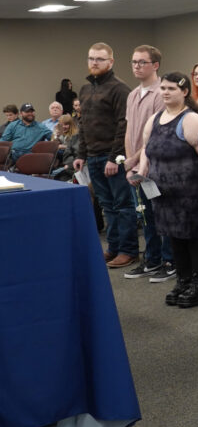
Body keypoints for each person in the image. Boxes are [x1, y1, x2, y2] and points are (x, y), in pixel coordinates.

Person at [137, 73, 198, 308]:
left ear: (185, 92)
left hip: (189, 192)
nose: (166, 92)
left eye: (171, 88)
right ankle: (183, 279)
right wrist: (140, 171)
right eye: (163, 88)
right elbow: (145, 149)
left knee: (194, 237)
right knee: (175, 238)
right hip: (163, 194)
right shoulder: (155, 119)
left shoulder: (190, 119)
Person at [73, 43, 138, 268]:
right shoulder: (85, 89)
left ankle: (128, 250)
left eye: (100, 59)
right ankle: (113, 247)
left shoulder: (119, 88)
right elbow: (84, 124)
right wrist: (81, 153)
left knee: (123, 205)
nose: (94, 62)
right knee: (107, 206)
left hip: (113, 158)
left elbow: (124, 125)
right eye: (91, 58)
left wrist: (115, 157)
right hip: (93, 155)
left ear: (110, 62)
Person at [123, 45, 176, 282]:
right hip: (136, 164)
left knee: (161, 214)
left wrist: (136, 159)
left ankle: (169, 260)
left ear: (155, 65)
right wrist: (129, 161)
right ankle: (152, 259)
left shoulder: (161, 93)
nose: (136, 66)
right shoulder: (133, 94)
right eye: (134, 62)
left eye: (142, 62)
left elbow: (155, 133)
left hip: (155, 165)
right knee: (144, 215)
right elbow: (129, 130)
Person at [52, 114, 80, 181]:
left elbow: (77, 151)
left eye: (66, 124)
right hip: (58, 163)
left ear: (71, 125)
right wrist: (56, 136)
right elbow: (52, 146)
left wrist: (63, 147)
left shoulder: (75, 135)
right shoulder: (60, 135)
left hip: (70, 164)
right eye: (62, 125)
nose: (64, 127)